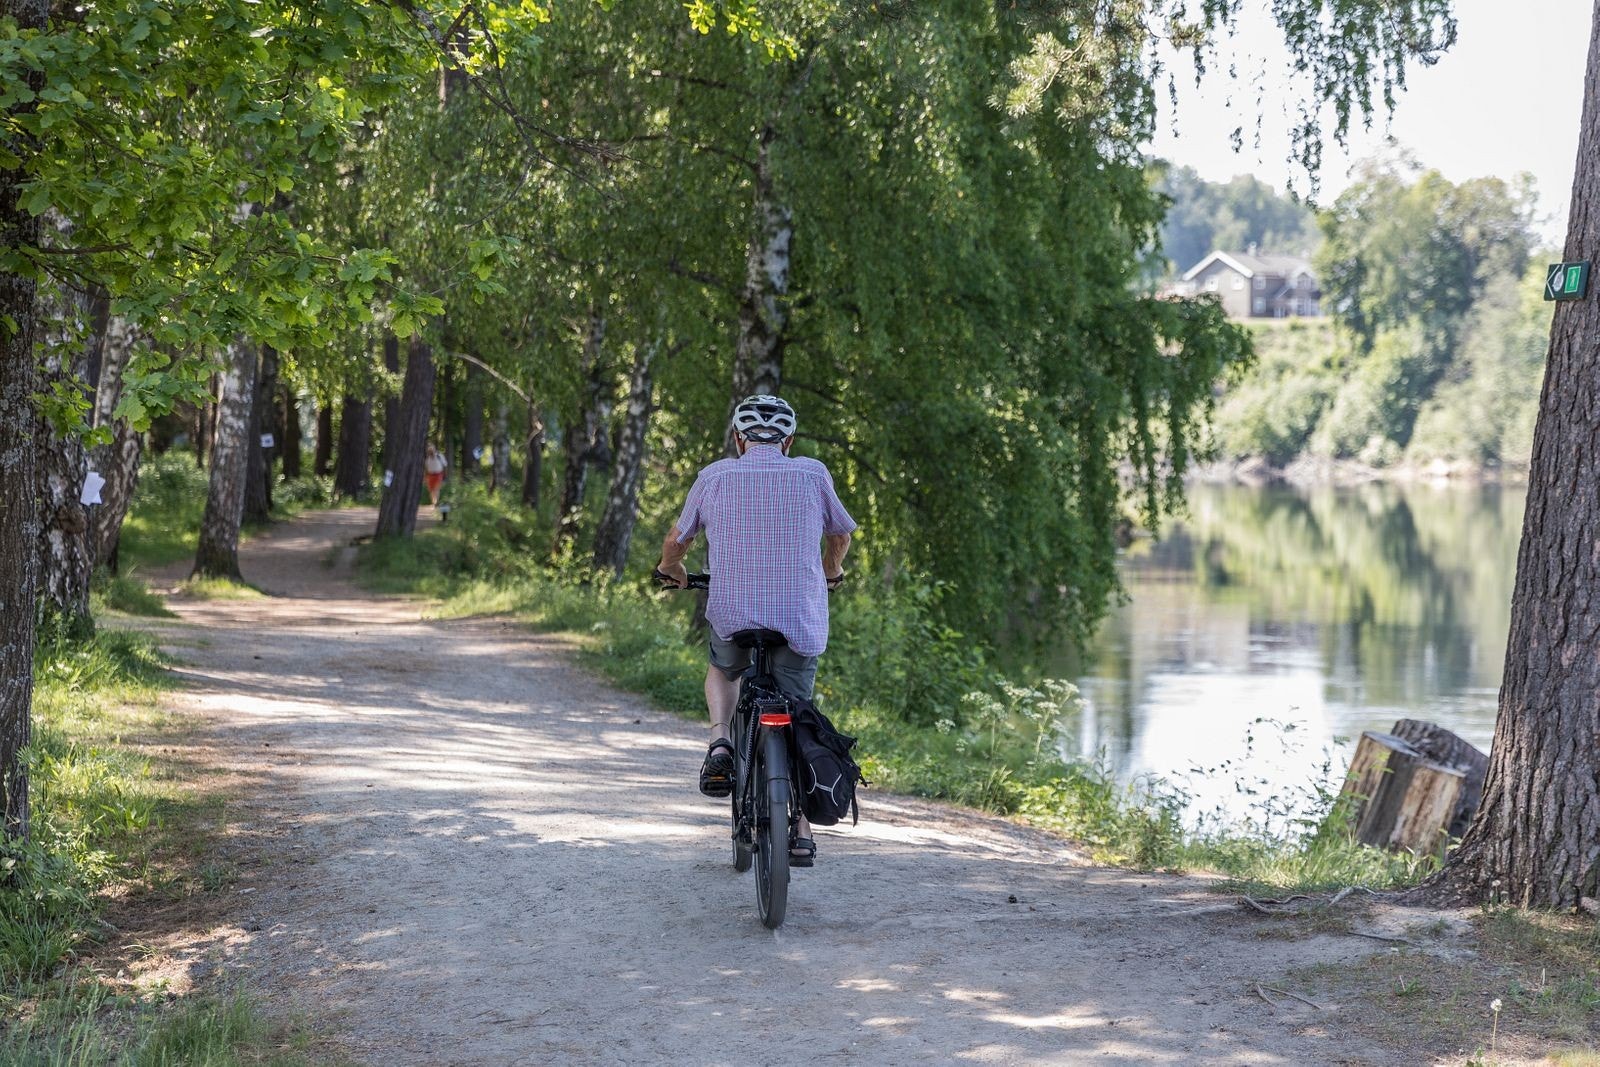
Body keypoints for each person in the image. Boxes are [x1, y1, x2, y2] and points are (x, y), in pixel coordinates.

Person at [656, 394, 855, 867]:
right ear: (789, 440)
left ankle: (720, 740)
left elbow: (677, 540)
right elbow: (841, 534)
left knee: (724, 668)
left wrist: (671, 569)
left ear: (738, 439)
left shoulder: (714, 476)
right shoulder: (813, 474)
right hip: (798, 618)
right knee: (797, 707)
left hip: (734, 613)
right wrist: (831, 570)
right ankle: (801, 828)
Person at [422, 442, 448, 507]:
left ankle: (436, 503)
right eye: (429, 450)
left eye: (431, 450)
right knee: (431, 490)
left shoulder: (439, 456)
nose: (430, 452)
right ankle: (433, 502)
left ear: (434, 449)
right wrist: (425, 477)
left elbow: (445, 465)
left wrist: (445, 475)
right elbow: (426, 469)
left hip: (438, 474)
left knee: (436, 489)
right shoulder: (427, 458)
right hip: (430, 475)